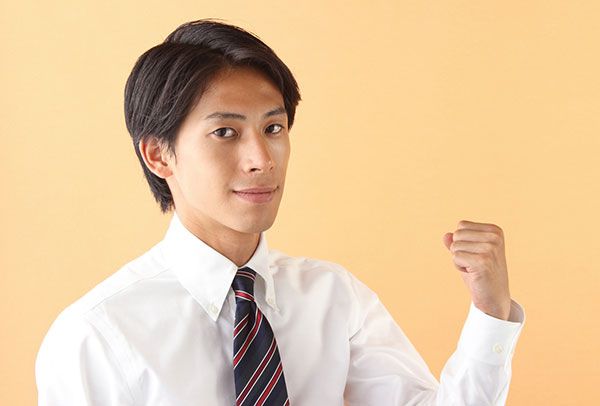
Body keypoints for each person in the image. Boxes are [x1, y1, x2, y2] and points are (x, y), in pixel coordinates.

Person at [35, 19, 525, 405]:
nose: (261, 160)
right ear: (159, 155)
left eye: (273, 128)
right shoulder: (97, 335)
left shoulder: (334, 299)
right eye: (225, 133)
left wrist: (491, 313)